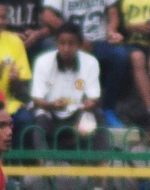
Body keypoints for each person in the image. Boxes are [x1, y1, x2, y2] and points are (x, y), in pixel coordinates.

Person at [41, 0, 132, 128]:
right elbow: (48, 16)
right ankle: (52, 110)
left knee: (121, 55)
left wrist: (112, 31)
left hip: (98, 40)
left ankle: (108, 109)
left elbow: (113, 11)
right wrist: (77, 39)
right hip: (69, 43)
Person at [30, 22, 110, 151]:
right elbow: (37, 98)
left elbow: (94, 96)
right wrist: (51, 105)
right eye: (62, 43)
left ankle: (102, 164)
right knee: (40, 119)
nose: (66, 48)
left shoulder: (90, 62)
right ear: (56, 43)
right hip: (50, 110)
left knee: (97, 115)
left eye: (71, 44)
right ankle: (42, 163)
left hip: (78, 111)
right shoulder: (43, 62)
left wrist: (89, 104)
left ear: (79, 44)